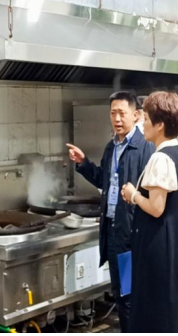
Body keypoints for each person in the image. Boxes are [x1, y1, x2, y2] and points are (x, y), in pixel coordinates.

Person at [66, 91, 154, 332]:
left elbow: (150, 193)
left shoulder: (144, 147)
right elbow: (104, 180)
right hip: (112, 231)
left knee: (131, 296)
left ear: (136, 115)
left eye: (122, 113)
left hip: (132, 235)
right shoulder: (111, 147)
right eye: (113, 113)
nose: (117, 119)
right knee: (121, 293)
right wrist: (83, 163)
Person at [121, 91, 178, 333]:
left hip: (158, 245)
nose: (142, 123)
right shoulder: (177, 152)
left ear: (160, 125)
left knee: (154, 306)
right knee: (169, 303)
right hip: (172, 242)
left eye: (146, 119)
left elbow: (156, 208)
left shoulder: (160, 158)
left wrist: (133, 194)